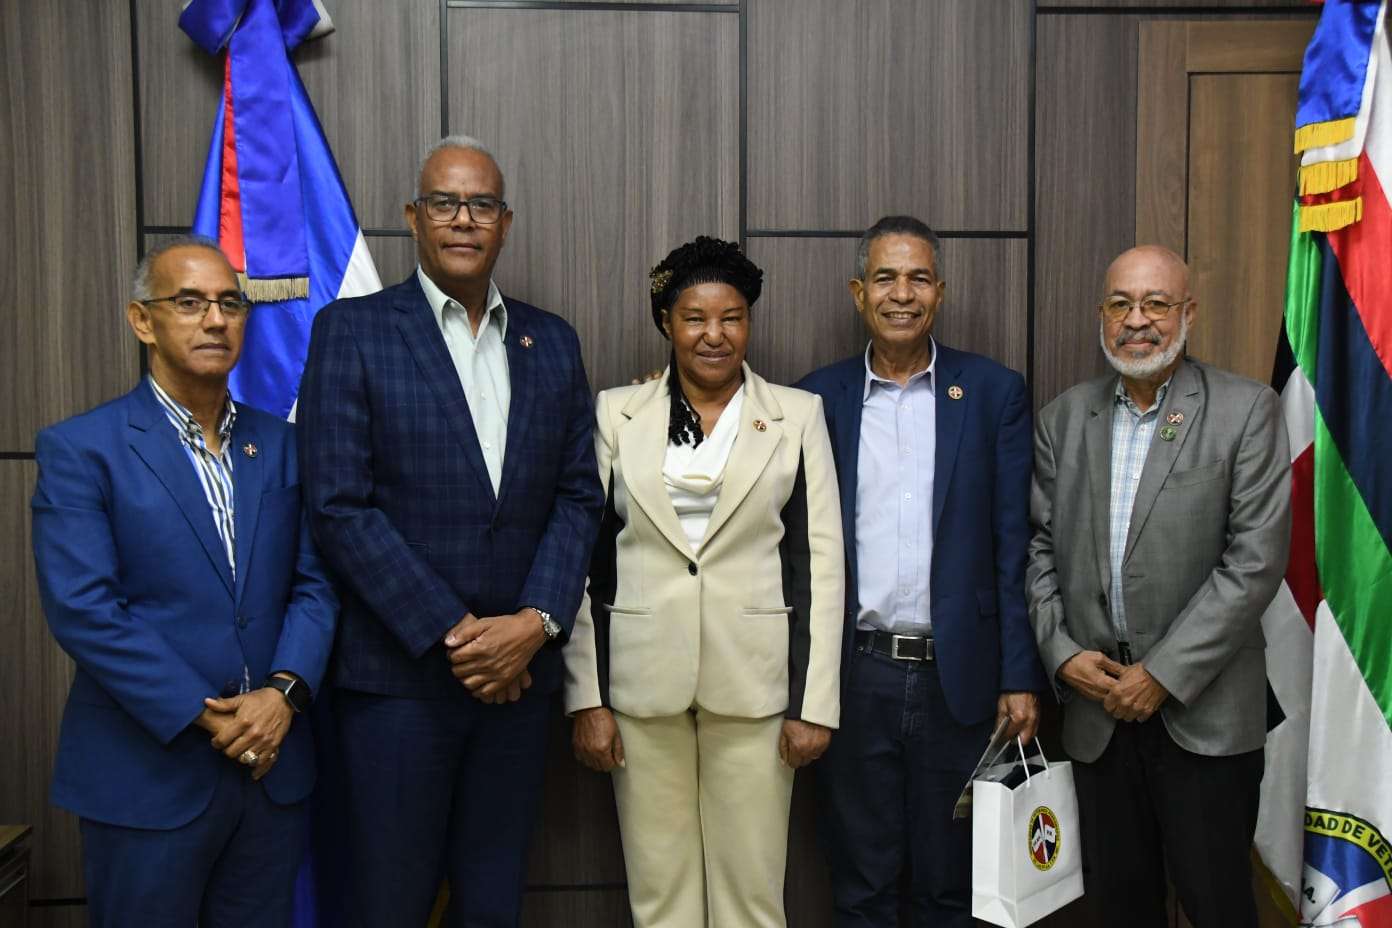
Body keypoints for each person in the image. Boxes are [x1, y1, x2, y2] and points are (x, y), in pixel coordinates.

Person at [296, 135, 605, 926]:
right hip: (398, 685)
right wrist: (461, 635)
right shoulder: (352, 331)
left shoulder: (552, 341)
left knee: (494, 900)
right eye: (445, 203)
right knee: (389, 902)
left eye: (482, 205)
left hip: (519, 684)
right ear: (413, 217)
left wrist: (534, 624)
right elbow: (337, 504)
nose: (464, 219)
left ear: (505, 222)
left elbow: (579, 497)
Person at [30, 236, 338, 927]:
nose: (216, 320)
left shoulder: (285, 445)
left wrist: (283, 696)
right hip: (146, 775)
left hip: (271, 771)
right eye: (191, 303)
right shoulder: (82, 449)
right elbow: (84, 609)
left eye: (231, 303)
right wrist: (212, 716)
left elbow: (316, 585)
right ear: (143, 320)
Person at [564, 236, 845, 928]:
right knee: (659, 898)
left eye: (731, 317)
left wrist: (815, 703)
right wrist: (585, 697)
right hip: (641, 687)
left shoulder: (797, 415)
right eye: (695, 318)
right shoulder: (616, 414)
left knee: (752, 897)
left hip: (755, 686)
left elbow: (820, 564)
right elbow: (583, 563)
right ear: (667, 322)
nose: (714, 335)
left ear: (749, 322)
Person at [1026, 244, 1290, 926]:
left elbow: (1254, 561)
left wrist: (1162, 674)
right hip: (1097, 715)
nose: (1137, 320)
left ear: (1187, 313)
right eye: (1121, 304)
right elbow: (1039, 549)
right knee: (1119, 908)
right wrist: (1062, 654)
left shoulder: (1246, 410)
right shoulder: (1063, 419)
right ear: (1102, 315)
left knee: (1217, 905)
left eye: (1156, 304)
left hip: (1205, 716)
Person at [795, 215, 1048, 926]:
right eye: (885, 278)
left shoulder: (992, 392)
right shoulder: (815, 400)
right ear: (858, 292)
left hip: (960, 683)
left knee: (951, 891)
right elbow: (789, 548)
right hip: (856, 677)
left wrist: (1019, 675)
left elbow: (1013, 543)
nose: (901, 294)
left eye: (918, 278)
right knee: (862, 889)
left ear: (940, 291)